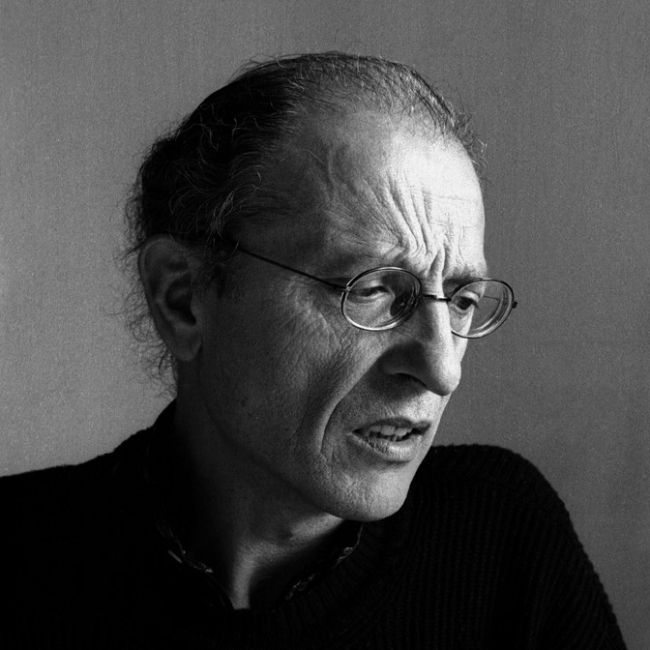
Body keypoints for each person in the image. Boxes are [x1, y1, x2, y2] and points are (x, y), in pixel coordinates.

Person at [1, 53, 626, 649]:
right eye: (373, 290)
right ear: (183, 299)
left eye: (462, 300)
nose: (442, 369)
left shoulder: (502, 541)